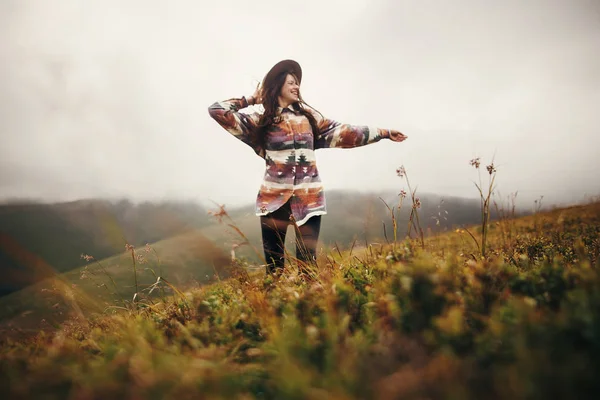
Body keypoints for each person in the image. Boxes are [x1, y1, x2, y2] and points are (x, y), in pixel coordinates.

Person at [208, 59, 407, 276]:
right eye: (291, 82)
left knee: (308, 268)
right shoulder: (260, 122)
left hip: (309, 200)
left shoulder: (311, 120)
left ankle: (308, 306)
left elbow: (347, 132)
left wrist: (384, 133)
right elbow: (217, 110)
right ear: (277, 86)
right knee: (274, 270)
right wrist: (252, 99)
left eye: (297, 83)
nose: (296, 87)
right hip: (273, 201)